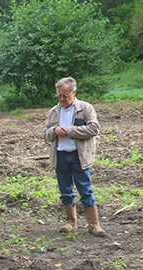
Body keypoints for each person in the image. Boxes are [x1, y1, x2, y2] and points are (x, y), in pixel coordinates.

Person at [43, 77, 105, 237]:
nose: (62, 99)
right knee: (65, 191)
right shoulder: (54, 112)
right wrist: (54, 131)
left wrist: (70, 131)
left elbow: (94, 129)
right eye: (59, 96)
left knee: (85, 189)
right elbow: (46, 135)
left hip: (80, 156)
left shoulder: (85, 108)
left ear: (74, 92)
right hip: (61, 156)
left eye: (66, 95)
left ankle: (94, 224)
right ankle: (71, 222)